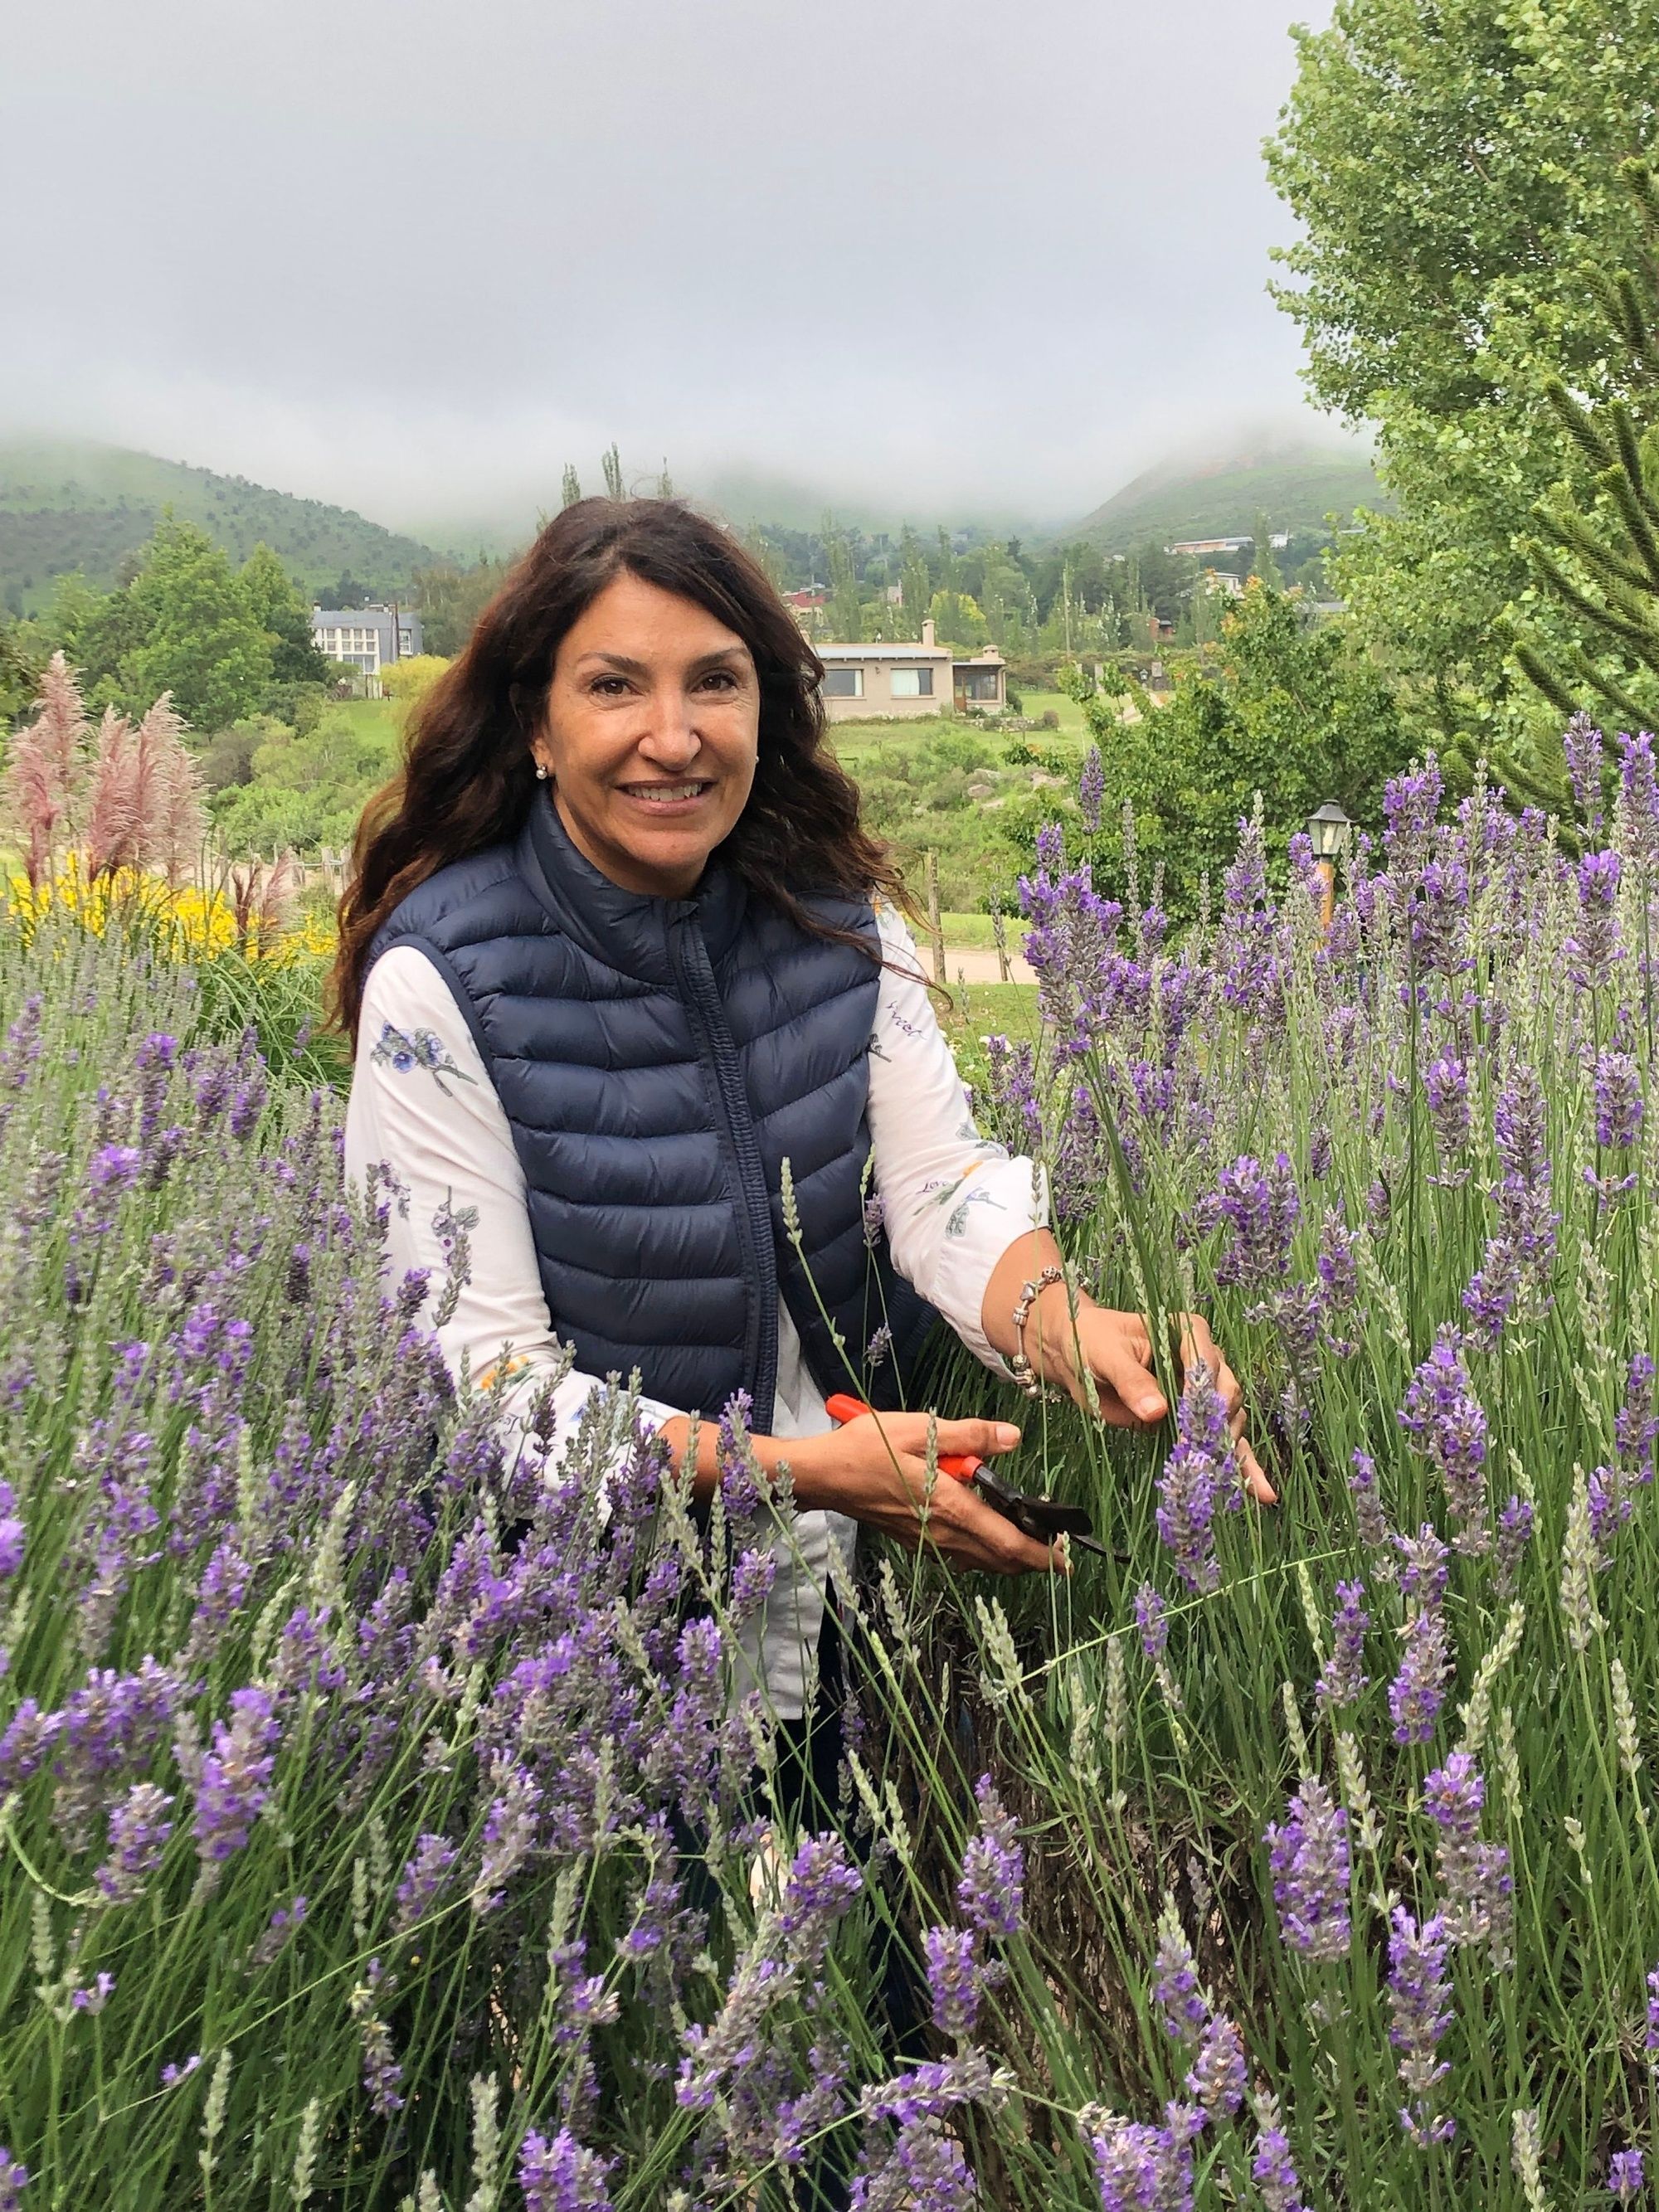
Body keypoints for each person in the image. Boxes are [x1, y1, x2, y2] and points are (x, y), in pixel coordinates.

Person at [333, 498, 1268, 1736]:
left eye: (715, 683)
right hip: (589, 1630)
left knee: (878, 1891)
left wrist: (1066, 1323)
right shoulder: (441, 981)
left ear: (765, 710)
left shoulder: (835, 921)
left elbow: (939, 1191)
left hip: (853, 1576)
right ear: (537, 726)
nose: (674, 738)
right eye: (616, 686)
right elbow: (484, 1380)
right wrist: (784, 1474)